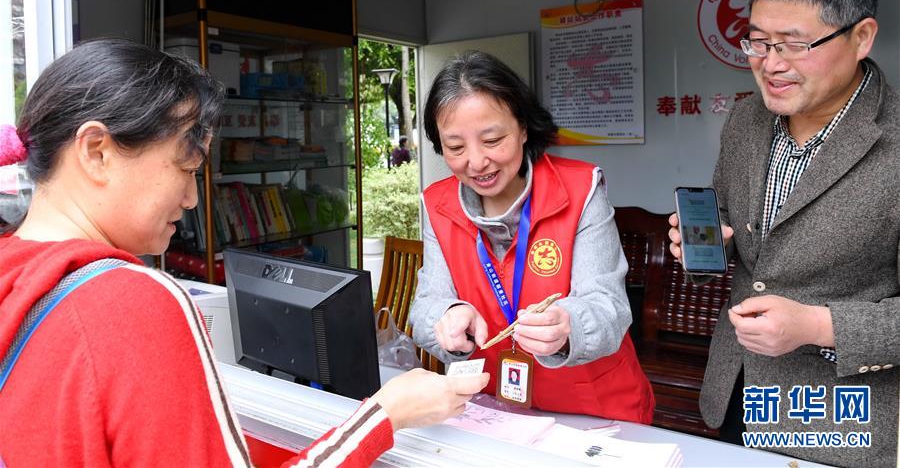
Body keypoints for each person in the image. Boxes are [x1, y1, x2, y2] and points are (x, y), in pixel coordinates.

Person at [0, 39, 487, 467]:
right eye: (185, 168)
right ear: (96, 151)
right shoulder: (130, 301)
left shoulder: (15, 271)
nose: (191, 199)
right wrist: (383, 418)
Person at [668, 0, 898, 468]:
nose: (771, 64)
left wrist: (818, 327)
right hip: (735, 393)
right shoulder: (747, 121)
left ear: (862, 37)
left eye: (794, 44)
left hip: (840, 421)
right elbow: (743, 239)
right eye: (758, 42)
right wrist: (704, 244)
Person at [409, 51, 654, 422]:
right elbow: (428, 303)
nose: (476, 162)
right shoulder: (437, 204)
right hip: (491, 411)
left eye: (492, 140)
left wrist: (569, 326)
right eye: (455, 147)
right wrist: (446, 317)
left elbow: (609, 306)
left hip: (593, 412)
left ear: (523, 128)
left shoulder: (580, 189)